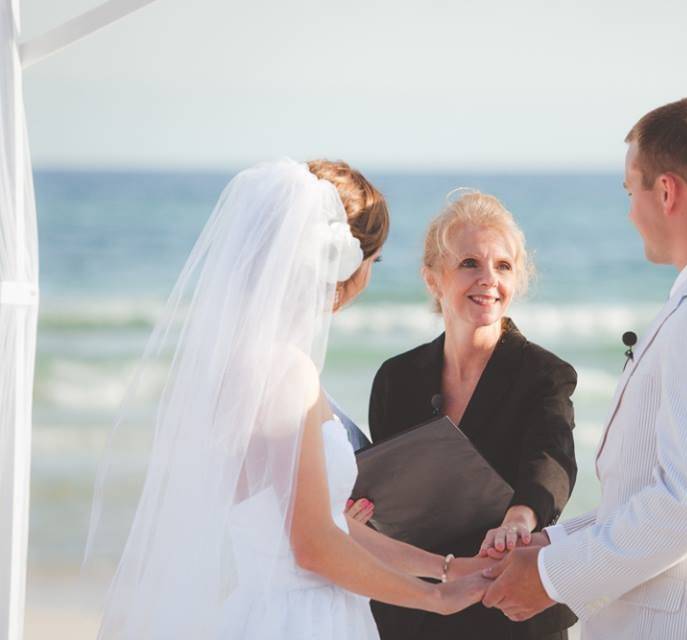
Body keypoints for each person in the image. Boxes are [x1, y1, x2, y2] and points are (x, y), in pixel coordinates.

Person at [86, 159, 489, 639]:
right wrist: (434, 599)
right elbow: (314, 546)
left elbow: (322, 526)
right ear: (344, 262)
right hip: (308, 619)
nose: (368, 278)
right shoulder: (287, 373)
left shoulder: (239, 366)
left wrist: (445, 568)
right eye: (372, 261)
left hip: (267, 611)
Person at [482, 98, 687, 640]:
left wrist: (549, 576)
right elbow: (672, 489)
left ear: (665, 192)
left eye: (630, 190)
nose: (629, 211)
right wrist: (557, 542)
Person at [361, 191, 579, 640]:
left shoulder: (545, 374)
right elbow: (389, 492)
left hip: (507, 610)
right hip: (414, 614)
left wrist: (519, 520)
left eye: (503, 266)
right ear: (433, 279)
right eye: (469, 264)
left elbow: (551, 459)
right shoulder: (395, 378)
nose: (488, 280)